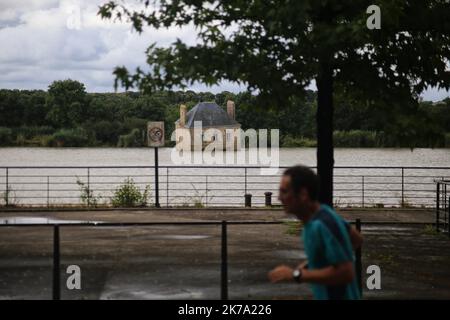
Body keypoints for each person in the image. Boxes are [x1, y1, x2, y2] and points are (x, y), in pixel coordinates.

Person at [268, 165, 363, 300]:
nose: (279, 198)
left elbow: (346, 273)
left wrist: (296, 274)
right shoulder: (324, 212)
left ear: (303, 195)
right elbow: (356, 238)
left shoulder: (323, 224)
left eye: (284, 192)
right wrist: (313, 262)